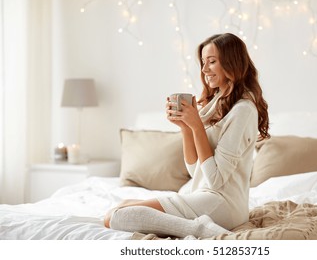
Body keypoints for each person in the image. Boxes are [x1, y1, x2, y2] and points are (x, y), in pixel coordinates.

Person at [104, 33, 270, 238]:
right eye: (203, 62)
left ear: (231, 63)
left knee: (117, 216)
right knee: (121, 206)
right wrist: (185, 128)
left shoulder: (243, 110)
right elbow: (196, 171)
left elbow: (216, 180)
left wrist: (197, 126)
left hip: (222, 203)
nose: (204, 69)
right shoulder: (216, 103)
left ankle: (200, 229)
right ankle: (194, 225)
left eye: (212, 61)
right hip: (204, 195)